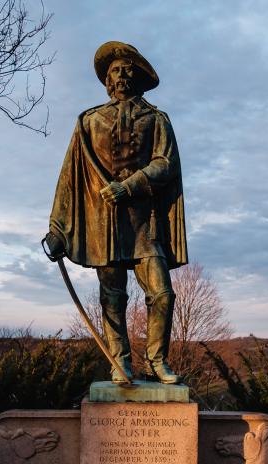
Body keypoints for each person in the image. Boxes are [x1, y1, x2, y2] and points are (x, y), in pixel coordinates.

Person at [43, 41, 187, 384]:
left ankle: (156, 361)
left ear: (137, 76)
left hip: (144, 224)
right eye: (115, 71)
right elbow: (70, 178)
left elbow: (166, 163)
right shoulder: (89, 122)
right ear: (108, 80)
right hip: (102, 224)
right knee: (112, 296)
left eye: (126, 69)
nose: (121, 76)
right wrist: (57, 229)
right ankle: (120, 363)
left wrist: (131, 185)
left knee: (162, 292)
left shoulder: (156, 119)